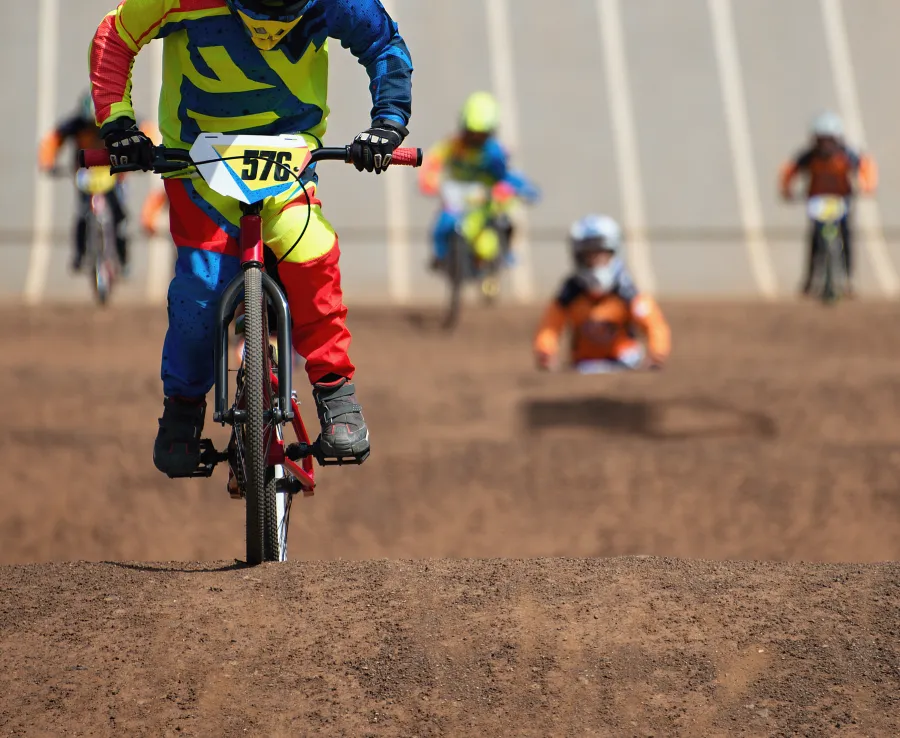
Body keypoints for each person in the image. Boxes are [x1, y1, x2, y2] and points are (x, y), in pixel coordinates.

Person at [88, 0, 413, 477]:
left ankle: (336, 394)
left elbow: (383, 43)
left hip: (287, 164)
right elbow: (116, 35)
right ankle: (182, 411)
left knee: (312, 255)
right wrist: (117, 124)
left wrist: (388, 121)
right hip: (196, 168)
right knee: (200, 294)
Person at [533, 215, 670, 374]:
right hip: (582, 366)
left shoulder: (627, 290)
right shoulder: (570, 292)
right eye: (588, 255)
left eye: (600, 254)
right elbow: (550, 327)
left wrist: (657, 352)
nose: (595, 261)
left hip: (626, 363)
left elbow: (653, 324)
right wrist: (545, 351)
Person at [418, 91, 538, 270]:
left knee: (503, 223)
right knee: (441, 228)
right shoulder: (453, 145)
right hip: (457, 201)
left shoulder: (495, 152)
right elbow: (433, 160)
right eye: (471, 133)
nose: (474, 138)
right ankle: (441, 257)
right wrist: (428, 180)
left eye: (480, 134)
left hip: (485, 203)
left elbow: (507, 175)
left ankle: (505, 253)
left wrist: (522, 188)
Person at [780, 111, 878, 297]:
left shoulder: (847, 154)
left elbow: (866, 167)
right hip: (817, 201)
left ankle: (848, 278)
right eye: (821, 140)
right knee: (815, 237)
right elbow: (789, 170)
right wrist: (787, 190)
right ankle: (810, 279)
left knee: (846, 235)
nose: (825, 145)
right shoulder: (809, 156)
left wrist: (867, 186)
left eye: (829, 140)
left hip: (841, 200)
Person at [38, 91, 130, 273]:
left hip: (112, 173)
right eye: (89, 125)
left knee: (119, 217)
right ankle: (80, 254)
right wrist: (48, 162)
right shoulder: (75, 124)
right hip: (85, 174)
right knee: (82, 213)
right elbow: (53, 140)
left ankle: (123, 259)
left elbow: (143, 132)